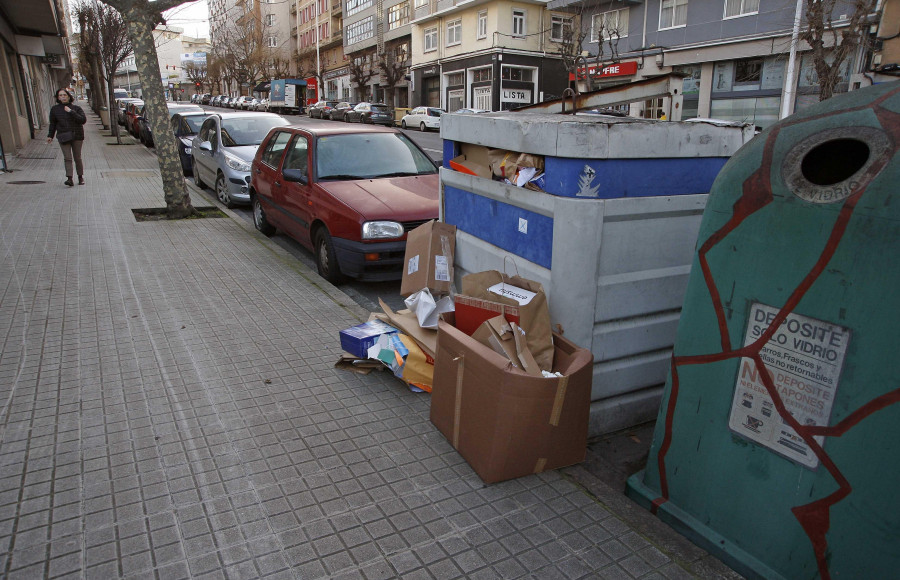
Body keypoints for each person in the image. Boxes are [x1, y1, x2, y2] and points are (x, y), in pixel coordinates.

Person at [46, 88, 87, 186]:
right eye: (60, 95)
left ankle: (80, 177)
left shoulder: (76, 108)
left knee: (77, 157)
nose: (63, 97)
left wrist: (71, 111)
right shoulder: (55, 109)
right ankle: (69, 178)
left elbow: (82, 120)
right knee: (67, 158)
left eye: (64, 95)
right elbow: (53, 124)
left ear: (68, 96)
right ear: (58, 98)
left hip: (77, 135)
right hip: (63, 136)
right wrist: (50, 135)